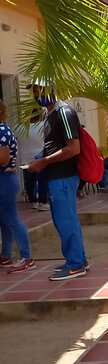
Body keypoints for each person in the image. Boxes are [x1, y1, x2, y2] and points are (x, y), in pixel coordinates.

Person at [27, 81, 89, 280]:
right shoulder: (50, 114)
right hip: (56, 176)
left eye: (41, 89)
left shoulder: (64, 113)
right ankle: (78, 259)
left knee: (65, 220)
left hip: (63, 176)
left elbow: (73, 148)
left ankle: (75, 265)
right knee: (66, 219)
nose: (38, 93)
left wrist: (44, 161)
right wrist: (40, 159)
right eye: (35, 90)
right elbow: (56, 145)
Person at [0, 100, 35, 273]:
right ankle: (6, 255)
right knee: (5, 221)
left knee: (12, 219)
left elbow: (3, 159)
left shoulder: (1, 132)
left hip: (4, 180)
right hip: (6, 179)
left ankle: (26, 257)